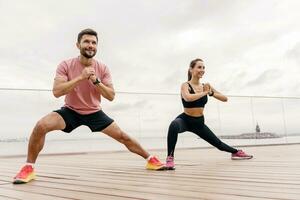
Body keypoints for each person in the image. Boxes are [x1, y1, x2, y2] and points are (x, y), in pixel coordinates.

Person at [13, 28, 164, 184]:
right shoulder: (65, 65)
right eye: (86, 41)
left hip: (94, 112)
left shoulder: (103, 68)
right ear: (78, 45)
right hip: (70, 111)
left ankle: (150, 159)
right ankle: (29, 168)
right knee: (41, 125)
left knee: (123, 136)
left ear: (97, 46)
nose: (90, 45)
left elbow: (111, 96)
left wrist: (96, 81)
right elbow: (57, 92)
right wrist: (81, 77)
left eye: (94, 42)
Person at [165, 58, 253, 170]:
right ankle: (170, 158)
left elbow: (224, 98)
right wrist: (205, 92)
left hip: (198, 122)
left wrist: (211, 92)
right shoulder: (185, 85)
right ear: (191, 69)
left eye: (203, 67)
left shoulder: (206, 86)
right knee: (174, 125)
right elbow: (188, 98)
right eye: (199, 67)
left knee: (219, 144)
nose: (202, 70)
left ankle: (236, 152)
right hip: (185, 120)